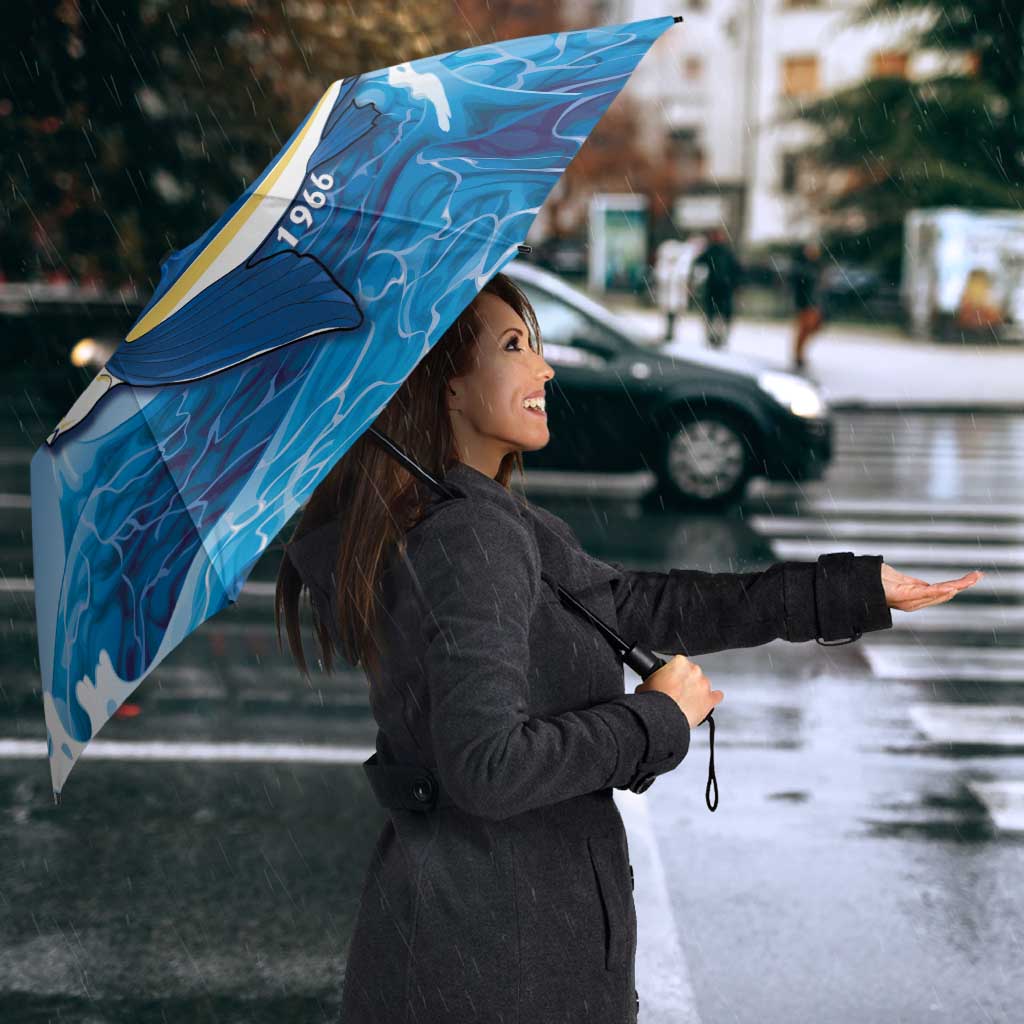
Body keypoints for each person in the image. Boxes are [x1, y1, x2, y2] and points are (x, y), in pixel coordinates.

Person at [277, 271, 977, 1024]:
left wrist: (850, 591)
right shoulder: (469, 536)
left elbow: (640, 605)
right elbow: (487, 768)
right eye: (514, 346)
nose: (544, 368)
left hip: (479, 942)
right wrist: (655, 719)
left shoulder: (477, 518)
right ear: (445, 385)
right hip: (498, 962)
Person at [692, 226, 742, 349]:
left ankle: (719, 337)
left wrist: (735, 284)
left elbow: (736, 270)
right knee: (713, 314)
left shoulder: (725, 252)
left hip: (723, 288)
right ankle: (713, 337)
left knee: (720, 315)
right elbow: (698, 264)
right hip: (715, 288)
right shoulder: (712, 251)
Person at [790, 239, 826, 370]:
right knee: (804, 329)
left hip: (814, 303)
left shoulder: (817, 266)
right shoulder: (802, 267)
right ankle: (798, 355)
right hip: (805, 303)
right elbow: (799, 286)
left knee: (812, 328)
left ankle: (799, 354)